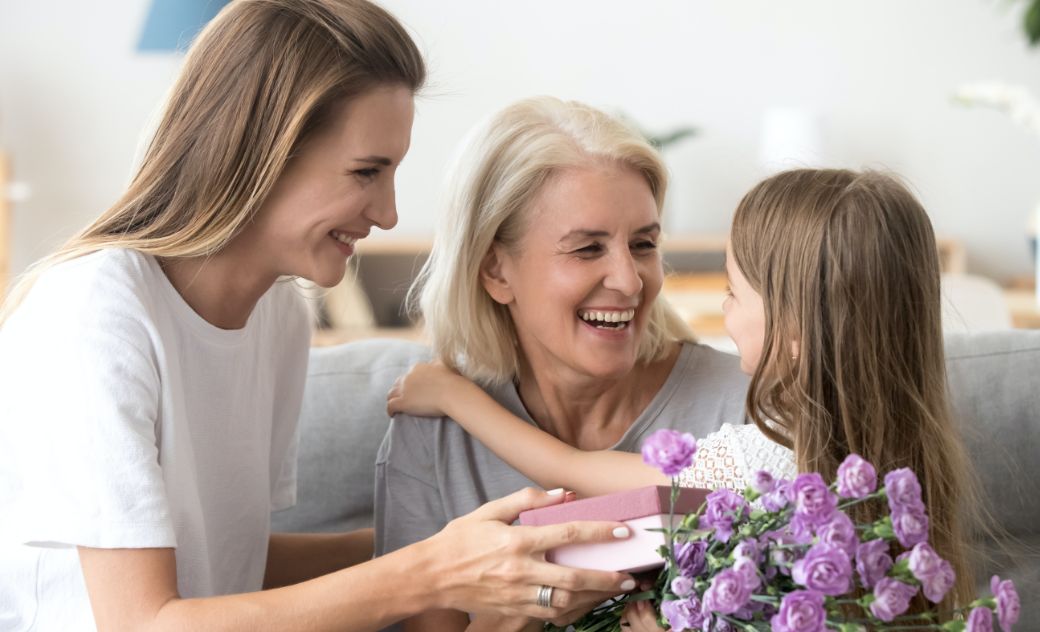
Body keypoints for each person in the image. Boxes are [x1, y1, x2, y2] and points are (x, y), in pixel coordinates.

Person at [0, 3, 644, 630]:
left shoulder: (278, 314)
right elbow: (141, 620)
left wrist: (455, 541)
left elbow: (232, 565)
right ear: (258, 151)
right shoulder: (96, 312)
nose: (388, 212)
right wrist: (430, 570)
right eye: (367, 172)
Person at [387, 168, 980, 630]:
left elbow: (574, 468)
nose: (723, 313)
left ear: (795, 333)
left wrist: (454, 396)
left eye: (732, 293)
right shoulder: (913, 467)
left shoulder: (763, 461)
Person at [374, 96, 752, 631]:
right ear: (495, 270)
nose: (629, 280)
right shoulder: (434, 432)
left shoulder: (740, 409)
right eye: (587, 249)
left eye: (643, 244)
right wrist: (532, 607)